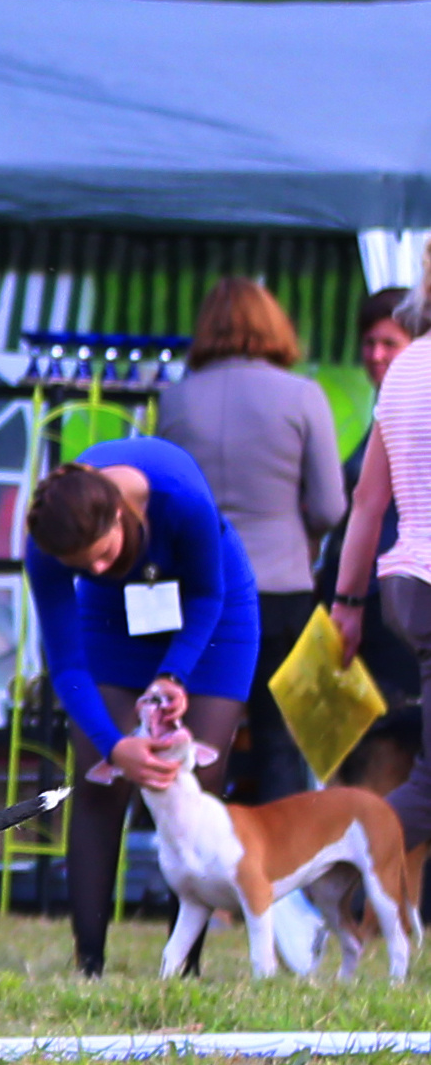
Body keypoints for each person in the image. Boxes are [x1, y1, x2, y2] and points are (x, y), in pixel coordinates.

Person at [23, 437, 259, 976]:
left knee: (197, 777)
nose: (100, 569)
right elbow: (67, 665)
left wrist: (174, 675)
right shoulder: (50, 546)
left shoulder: (179, 498)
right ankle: (89, 967)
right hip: (116, 620)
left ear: (122, 511)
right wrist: (114, 745)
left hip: (211, 612)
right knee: (100, 779)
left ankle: (184, 969)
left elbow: (206, 594)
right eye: (84, 567)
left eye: (105, 554)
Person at [155, 279, 343, 801]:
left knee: (194, 739)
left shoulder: (174, 401)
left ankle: (187, 876)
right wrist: (303, 537)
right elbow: (330, 504)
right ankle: (278, 878)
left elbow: (166, 503)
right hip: (281, 589)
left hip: (197, 593)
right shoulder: (302, 396)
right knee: (278, 739)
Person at [334, 273, 431, 865]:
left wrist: (347, 604)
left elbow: (366, 502)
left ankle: (323, 860)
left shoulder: (406, 369)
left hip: (404, 585)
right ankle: (322, 860)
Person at [318, 287, 417, 703]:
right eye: (369, 343)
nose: (376, 355)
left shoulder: (412, 409)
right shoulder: (385, 407)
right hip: (362, 594)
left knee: (394, 736)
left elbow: (370, 503)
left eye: (389, 343)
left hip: (393, 598)